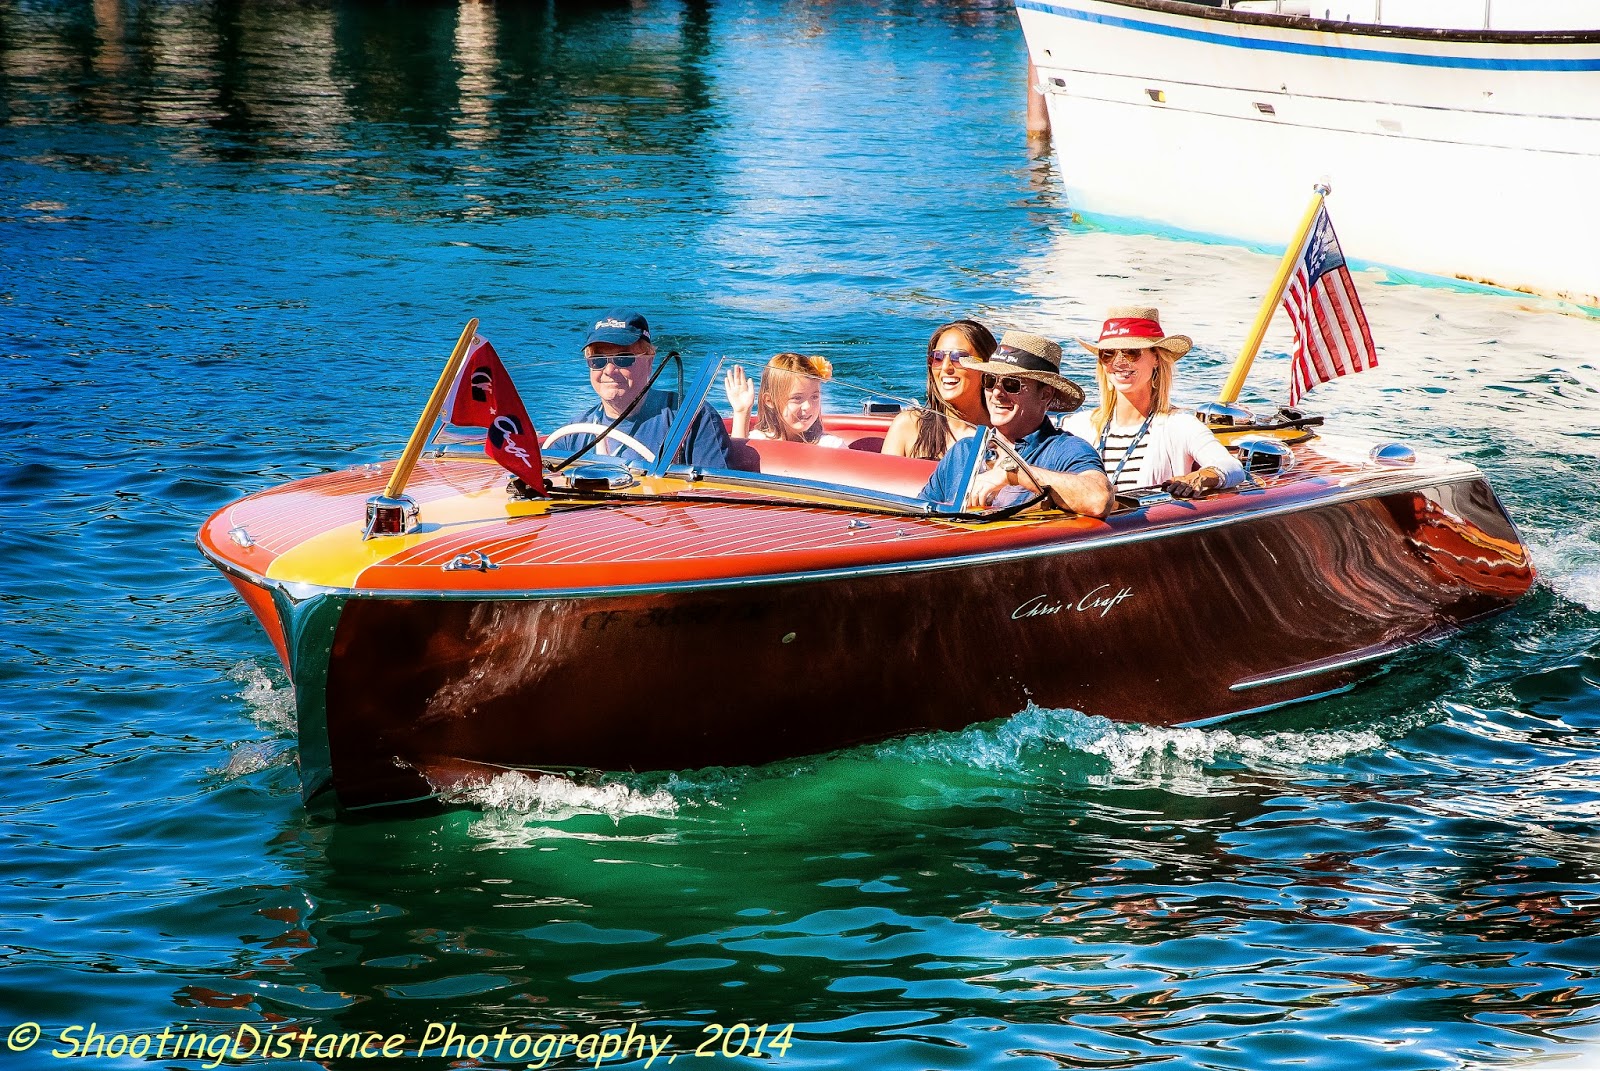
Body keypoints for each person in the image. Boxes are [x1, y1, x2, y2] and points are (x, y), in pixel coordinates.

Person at [921, 331, 1113, 517]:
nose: (996, 393)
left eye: (1011, 384)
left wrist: (1015, 473)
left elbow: (1099, 500)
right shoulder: (963, 452)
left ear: (1045, 395)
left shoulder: (1065, 450)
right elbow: (919, 515)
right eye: (990, 381)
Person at [1064, 306, 1244, 499]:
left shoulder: (1179, 425)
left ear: (1156, 358)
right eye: (1108, 354)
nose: (1118, 362)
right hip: (1091, 527)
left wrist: (1199, 477)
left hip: (1148, 525)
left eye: (1131, 352)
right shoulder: (1077, 425)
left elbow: (1232, 467)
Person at [544, 309, 749, 470]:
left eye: (623, 358)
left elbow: (714, 499)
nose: (608, 370)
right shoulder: (572, 434)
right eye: (597, 360)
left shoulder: (693, 419)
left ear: (650, 361)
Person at [881, 319, 994, 460]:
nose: (945, 367)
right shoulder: (908, 427)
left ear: (986, 367)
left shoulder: (1005, 436)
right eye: (937, 357)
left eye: (959, 357)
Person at [723, 352, 846, 447]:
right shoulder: (756, 440)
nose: (808, 406)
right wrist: (742, 412)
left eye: (815, 397)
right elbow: (735, 464)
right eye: (797, 398)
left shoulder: (831, 446)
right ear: (770, 401)